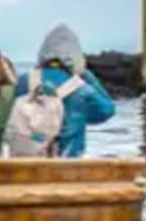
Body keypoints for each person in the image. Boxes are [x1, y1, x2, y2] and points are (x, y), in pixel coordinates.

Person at [12, 24, 115, 158]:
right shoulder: (82, 89)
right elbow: (106, 111)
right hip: (68, 165)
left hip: (27, 161)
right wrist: (85, 74)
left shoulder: (23, 81)